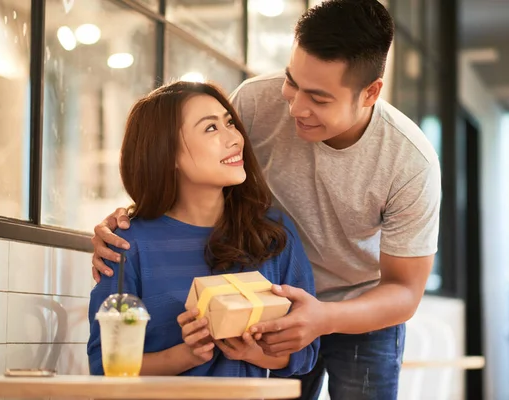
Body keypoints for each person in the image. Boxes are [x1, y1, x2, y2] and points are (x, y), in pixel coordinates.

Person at [91, 0, 441, 398]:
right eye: (292, 81)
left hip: (358, 308)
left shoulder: (409, 161)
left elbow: (404, 291)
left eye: (319, 98)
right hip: (267, 300)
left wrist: (323, 317)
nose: (295, 106)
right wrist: (130, 220)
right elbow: (189, 167)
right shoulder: (256, 102)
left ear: (370, 93)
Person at [87, 81, 319, 377]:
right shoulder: (127, 246)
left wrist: (255, 353)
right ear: (167, 154)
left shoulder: (273, 234)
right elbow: (105, 366)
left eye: (229, 122)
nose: (234, 138)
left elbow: (305, 352)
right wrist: (184, 356)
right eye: (211, 128)